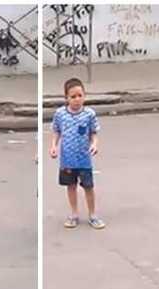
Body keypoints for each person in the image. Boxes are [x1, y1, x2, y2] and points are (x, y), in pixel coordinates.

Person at [49, 77, 104, 229]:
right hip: (67, 159)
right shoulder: (60, 114)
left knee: (88, 187)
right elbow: (56, 131)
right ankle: (74, 214)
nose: (77, 99)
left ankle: (93, 215)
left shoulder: (89, 114)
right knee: (71, 186)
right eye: (73, 97)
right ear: (66, 98)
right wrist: (53, 146)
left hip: (84, 159)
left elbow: (94, 133)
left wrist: (94, 144)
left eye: (80, 95)